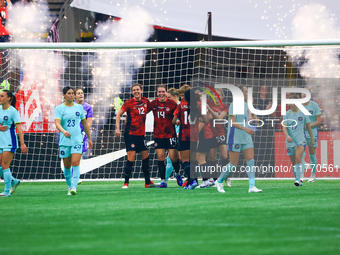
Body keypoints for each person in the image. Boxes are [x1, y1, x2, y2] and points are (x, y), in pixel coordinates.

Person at [216, 85, 262, 193]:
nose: (247, 94)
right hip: (235, 137)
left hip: (246, 138)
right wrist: (246, 129)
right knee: (233, 164)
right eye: (246, 92)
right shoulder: (233, 105)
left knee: (250, 162)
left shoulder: (246, 105)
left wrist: (252, 122)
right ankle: (219, 180)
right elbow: (233, 122)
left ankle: (252, 186)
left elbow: (245, 120)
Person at [115, 83, 156, 189]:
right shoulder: (129, 103)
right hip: (130, 134)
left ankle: (147, 182)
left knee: (145, 157)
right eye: (134, 90)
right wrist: (118, 129)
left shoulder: (146, 101)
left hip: (141, 134)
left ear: (141, 90)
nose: (136, 91)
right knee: (131, 157)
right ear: (132, 92)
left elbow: (149, 109)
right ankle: (126, 182)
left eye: (138, 89)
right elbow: (118, 114)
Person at [55, 87, 93, 195]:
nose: (71, 95)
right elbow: (57, 123)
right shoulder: (59, 108)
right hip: (64, 140)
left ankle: (74, 188)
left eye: (72, 93)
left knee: (75, 163)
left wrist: (90, 138)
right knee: (67, 166)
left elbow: (85, 124)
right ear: (64, 95)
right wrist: (63, 131)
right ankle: (69, 186)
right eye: (69, 93)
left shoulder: (79, 108)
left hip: (77, 139)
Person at [149, 85, 181, 187]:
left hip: (170, 134)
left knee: (173, 158)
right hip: (158, 135)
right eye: (159, 92)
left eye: (163, 91)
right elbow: (142, 112)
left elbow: (179, 114)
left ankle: (178, 174)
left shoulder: (172, 103)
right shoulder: (153, 104)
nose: (161, 93)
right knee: (160, 157)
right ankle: (163, 181)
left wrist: (178, 121)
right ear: (157, 93)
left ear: (166, 92)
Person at [282, 95, 314, 186]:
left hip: (300, 140)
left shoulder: (303, 113)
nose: (292, 104)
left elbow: (308, 127)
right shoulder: (287, 114)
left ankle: (298, 180)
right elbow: (284, 127)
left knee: (298, 159)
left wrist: (311, 139)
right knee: (293, 162)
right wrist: (287, 135)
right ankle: (297, 179)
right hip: (290, 141)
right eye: (291, 102)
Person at [0, 90, 27, 197]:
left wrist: (23, 143)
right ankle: (14, 181)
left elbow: (19, 128)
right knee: (1, 166)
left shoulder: (13, 111)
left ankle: (7, 191)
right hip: (0, 141)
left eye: (2, 96)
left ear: (8, 98)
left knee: (5, 165)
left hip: (9, 142)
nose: (0, 98)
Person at [173, 85, 199, 189]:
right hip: (195, 136)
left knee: (184, 160)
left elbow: (173, 121)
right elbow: (204, 120)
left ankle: (192, 180)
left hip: (184, 135)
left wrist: (178, 121)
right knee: (192, 160)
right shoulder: (197, 106)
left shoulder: (181, 106)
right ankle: (194, 180)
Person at [206, 89, 232, 188]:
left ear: (222, 96)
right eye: (214, 95)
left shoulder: (225, 106)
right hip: (210, 133)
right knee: (212, 158)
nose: (216, 97)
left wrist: (209, 109)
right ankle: (215, 179)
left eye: (218, 95)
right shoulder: (209, 102)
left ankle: (227, 178)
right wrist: (204, 93)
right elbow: (200, 99)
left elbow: (220, 118)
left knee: (225, 156)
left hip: (220, 133)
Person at [299, 90, 321, 183]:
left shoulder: (314, 105)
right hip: (301, 134)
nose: (304, 94)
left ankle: (313, 174)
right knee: (301, 155)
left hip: (312, 133)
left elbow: (318, 121)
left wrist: (308, 126)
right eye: (302, 93)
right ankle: (301, 175)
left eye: (306, 93)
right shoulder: (298, 105)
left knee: (312, 155)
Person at [74, 88, 93, 184]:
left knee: (78, 157)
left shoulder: (88, 107)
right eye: (78, 93)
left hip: (82, 135)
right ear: (75, 96)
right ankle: (74, 177)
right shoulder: (71, 106)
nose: (81, 95)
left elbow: (88, 123)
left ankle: (75, 177)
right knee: (71, 157)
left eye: (82, 93)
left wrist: (84, 133)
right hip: (72, 134)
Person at [165, 88, 181, 182]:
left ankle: (208, 179)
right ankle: (165, 180)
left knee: (191, 159)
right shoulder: (170, 107)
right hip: (173, 136)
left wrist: (179, 133)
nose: (167, 99)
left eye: (169, 97)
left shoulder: (180, 106)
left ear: (175, 96)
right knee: (170, 158)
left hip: (181, 136)